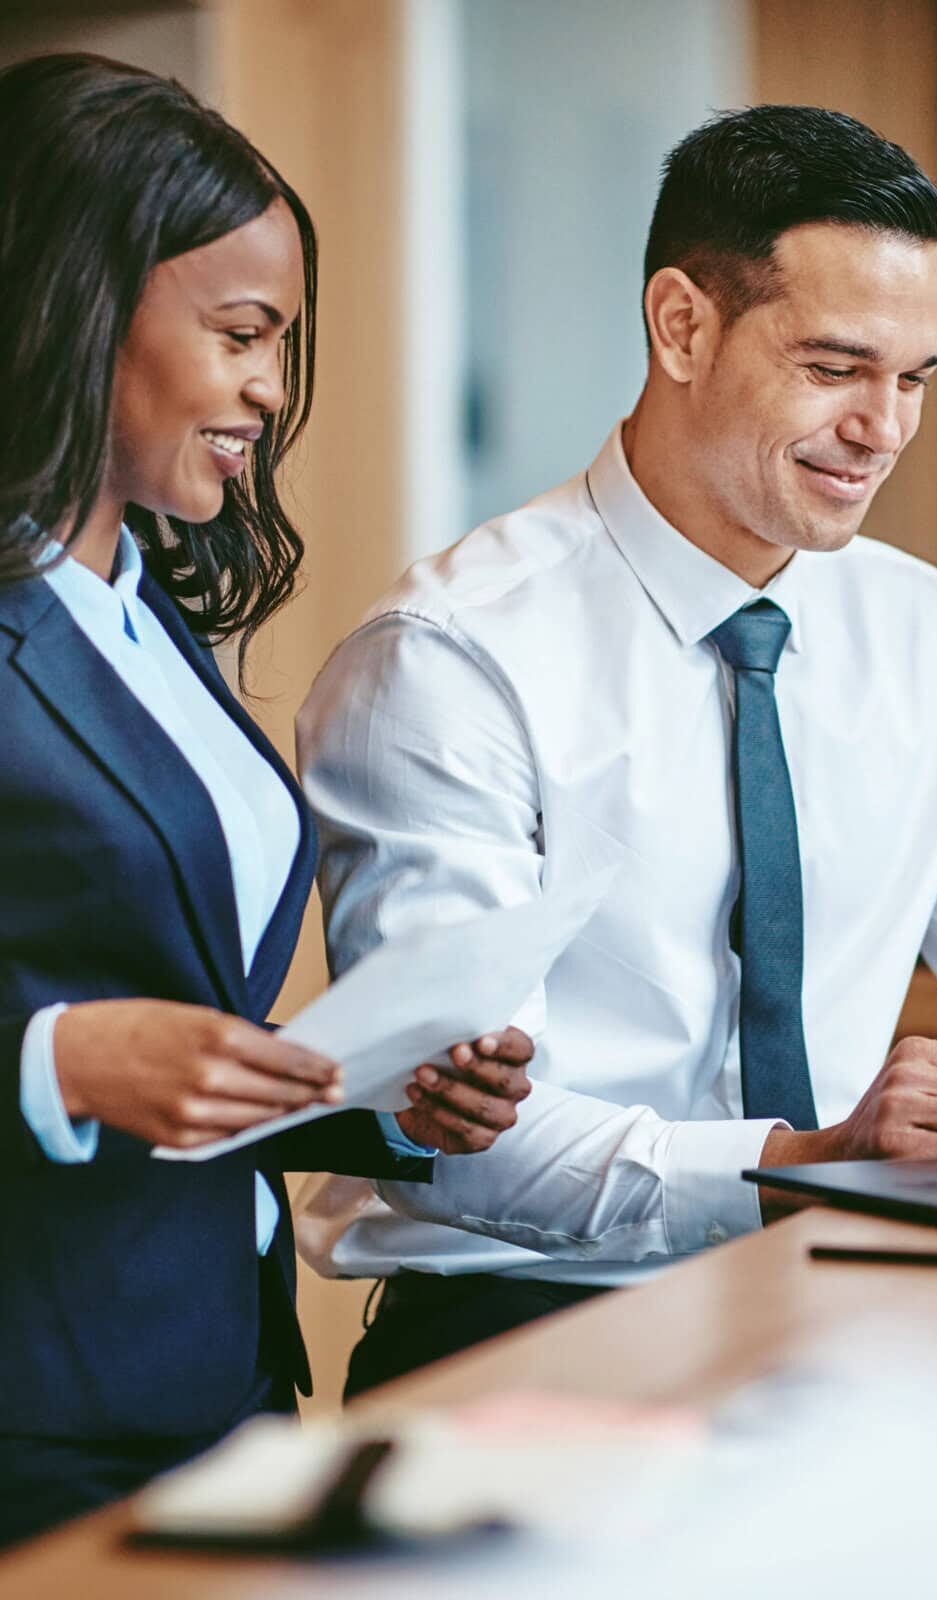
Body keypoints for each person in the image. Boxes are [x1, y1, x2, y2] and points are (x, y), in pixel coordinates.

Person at [296, 104, 937, 1396]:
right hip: (527, 1344)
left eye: (914, 378)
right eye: (837, 367)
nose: (885, 428)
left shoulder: (921, 634)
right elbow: (466, 1140)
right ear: (682, 326)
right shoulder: (452, 658)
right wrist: (811, 1156)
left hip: (849, 1315)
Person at [0, 54, 534, 1547]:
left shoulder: (141, 608)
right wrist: (52, 1065)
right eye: (240, 334)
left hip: (223, 1375)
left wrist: (379, 1098)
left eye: (282, 343)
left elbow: (174, 1011)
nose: (268, 391)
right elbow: (88, 1038)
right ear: (77, 307)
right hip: (37, 1415)